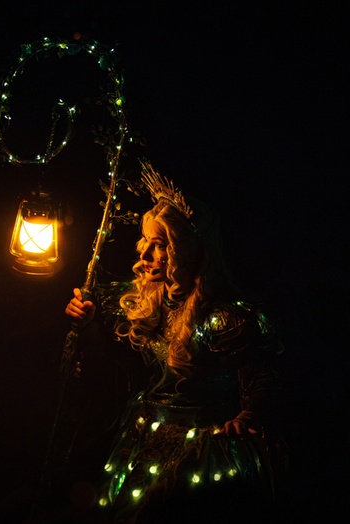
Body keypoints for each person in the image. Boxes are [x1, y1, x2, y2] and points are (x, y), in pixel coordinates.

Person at [64, 160, 288, 523]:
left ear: (186, 251)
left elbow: (261, 374)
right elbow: (105, 372)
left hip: (202, 449)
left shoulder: (225, 318)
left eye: (159, 245)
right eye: (145, 241)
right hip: (143, 436)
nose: (143, 254)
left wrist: (247, 414)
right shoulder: (142, 302)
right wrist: (87, 324)